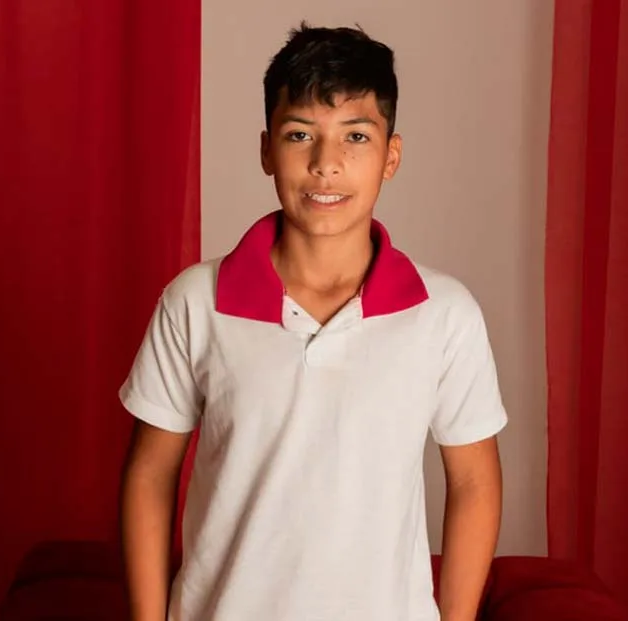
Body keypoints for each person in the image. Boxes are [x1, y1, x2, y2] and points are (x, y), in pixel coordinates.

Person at [119, 22, 507, 621]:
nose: (327, 164)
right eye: (300, 134)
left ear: (391, 156)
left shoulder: (444, 314)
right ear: (267, 151)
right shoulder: (194, 302)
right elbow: (150, 474)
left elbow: (475, 482)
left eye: (356, 136)